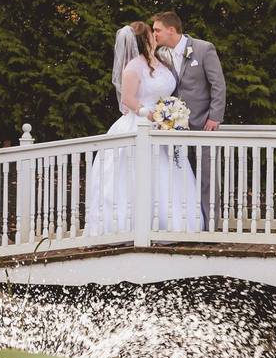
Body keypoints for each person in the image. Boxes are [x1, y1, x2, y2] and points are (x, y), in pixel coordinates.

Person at [85, 21, 202, 236]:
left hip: (163, 124)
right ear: (143, 40)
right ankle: (128, 227)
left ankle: (173, 225)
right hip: (140, 124)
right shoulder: (133, 67)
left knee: (170, 173)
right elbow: (128, 99)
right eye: (151, 33)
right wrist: (148, 114)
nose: (155, 35)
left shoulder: (162, 61)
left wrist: (170, 113)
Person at [152, 11, 226, 226]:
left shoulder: (204, 48)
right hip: (175, 128)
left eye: (157, 29)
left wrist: (215, 117)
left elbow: (218, 85)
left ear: (171, 30)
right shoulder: (162, 55)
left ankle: (212, 225)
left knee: (207, 178)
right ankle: (193, 224)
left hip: (205, 125)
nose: (154, 33)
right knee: (182, 178)